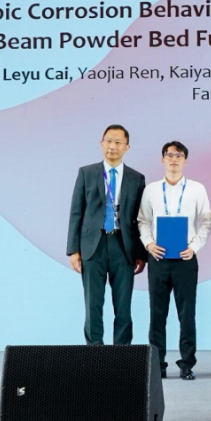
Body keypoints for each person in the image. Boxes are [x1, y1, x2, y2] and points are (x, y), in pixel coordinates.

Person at [137, 141, 211, 380]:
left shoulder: (196, 189)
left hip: (185, 259)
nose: (173, 159)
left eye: (178, 155)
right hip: (158, 258)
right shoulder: (151, 190)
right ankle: (157, 364)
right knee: (157, 314)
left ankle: (187, 363)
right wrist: (149, 244)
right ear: (162, 160)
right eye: (169, 155)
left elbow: (206, 222)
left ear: (185, 161)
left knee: (186, 314)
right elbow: (143, 221)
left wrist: (194, 247)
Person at [67, 125, 147, 345]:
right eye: (109, 141)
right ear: (101, 144)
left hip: (124, 246)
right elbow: (76, 212)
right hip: (93, 246)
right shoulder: (86, 173)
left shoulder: (136, 178)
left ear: (127, 147)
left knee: (123, 304)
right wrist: (73, 250)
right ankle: (95, 352)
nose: (113, 146)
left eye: (118, 142)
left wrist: (141, 254)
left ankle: (122, 353)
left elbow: (141, 218)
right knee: (93, 303)